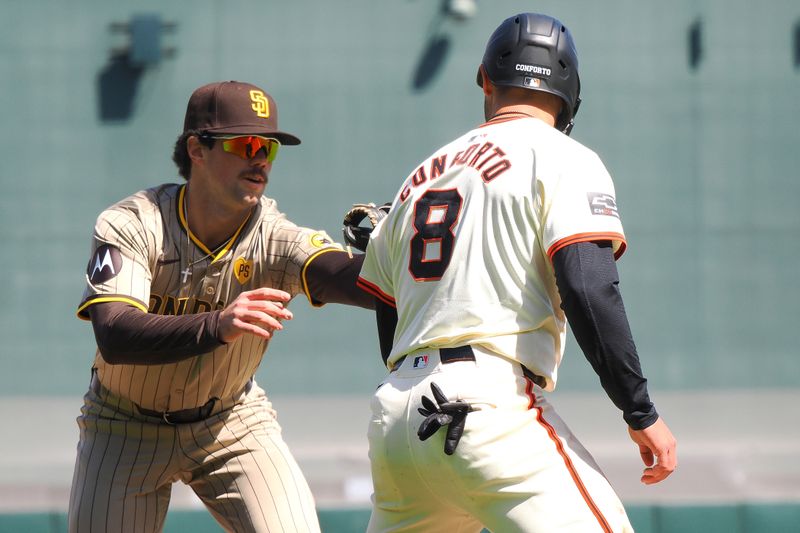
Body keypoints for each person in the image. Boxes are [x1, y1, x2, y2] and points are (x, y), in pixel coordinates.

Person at [356, 13, 677, 533]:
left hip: (397, 418)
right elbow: (588, 287)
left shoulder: (419, 176)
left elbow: (388, 320)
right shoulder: (564, 156)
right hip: (486, 406)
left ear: (485, 79)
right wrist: (639, 411)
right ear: (570, 92)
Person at [68, 80, 373, 533]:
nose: (260, 159)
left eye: (269, 148)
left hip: (231, 424)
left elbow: (342, 275)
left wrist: (401, 260)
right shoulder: (133, 222)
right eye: (246, 143)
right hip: (123, 425)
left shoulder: (274, 234)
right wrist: (219, 324)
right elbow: (114, 333)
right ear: (197, 149)